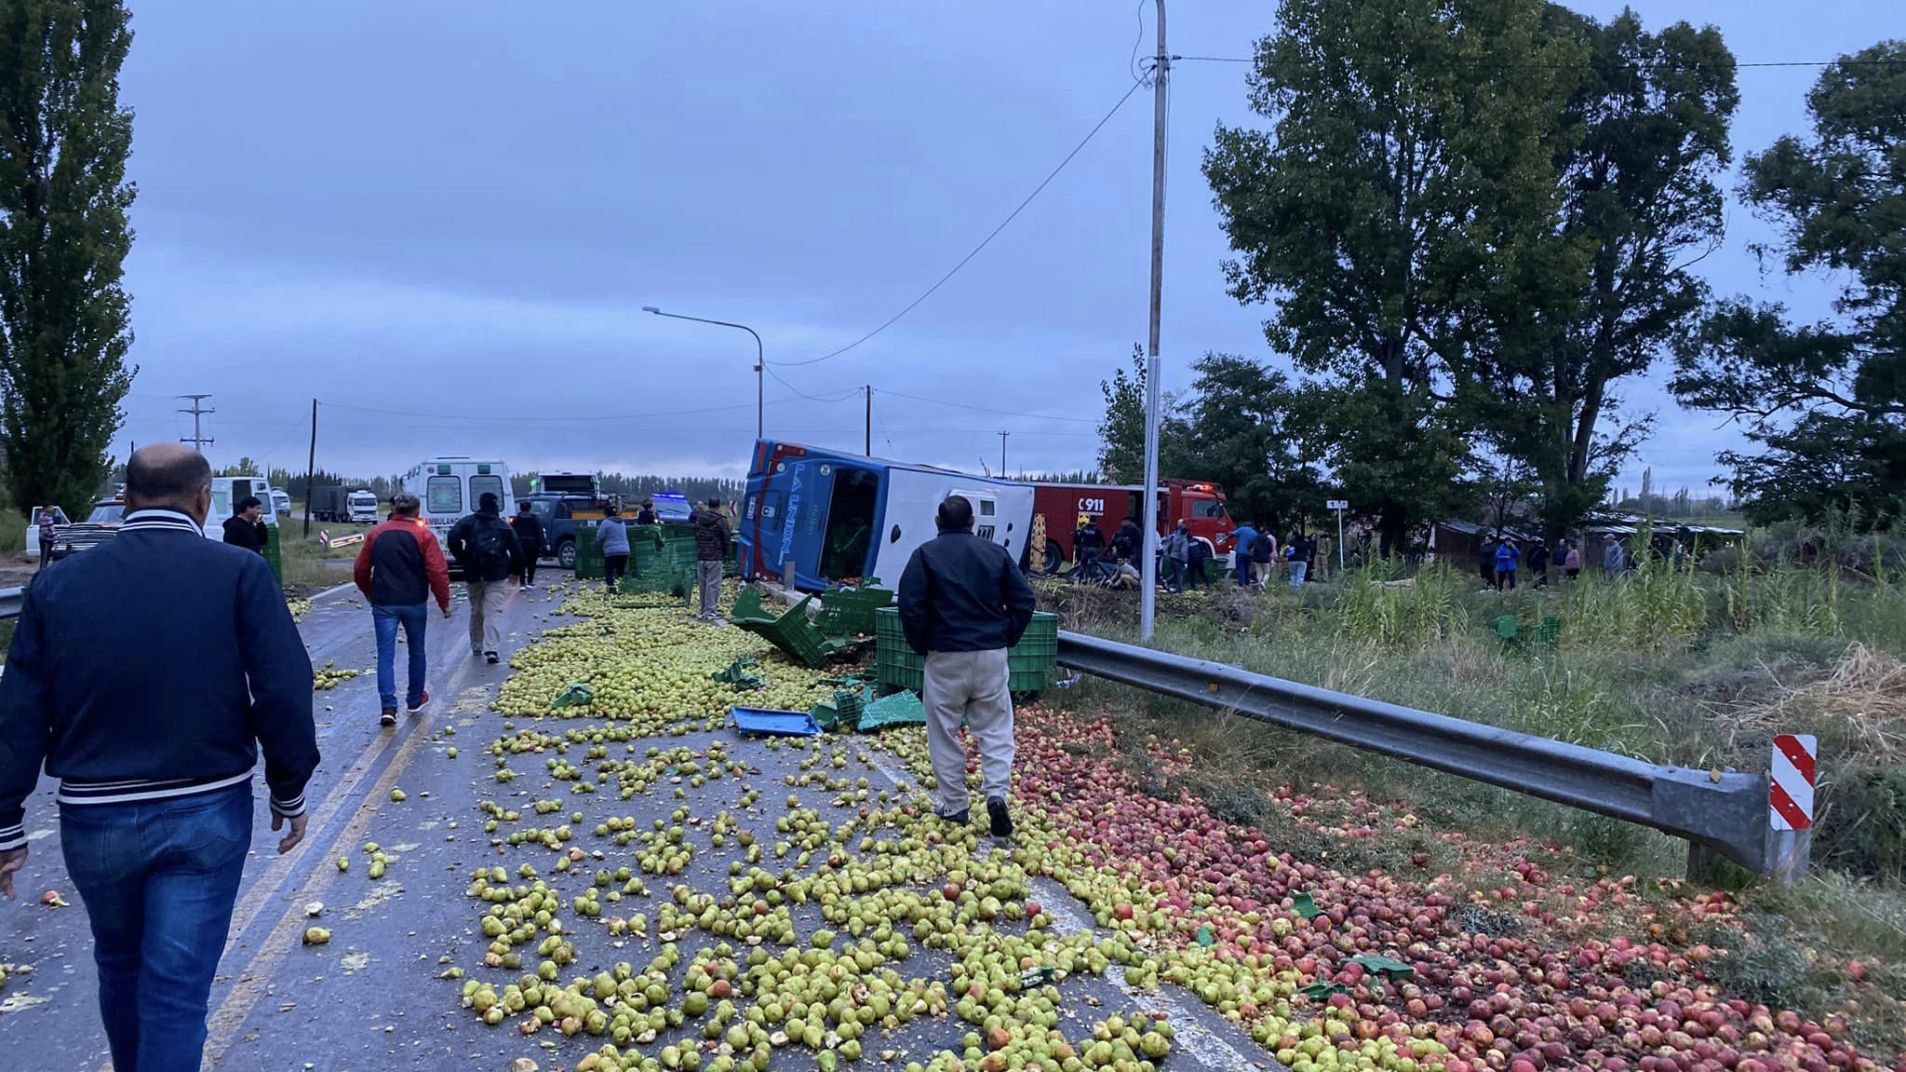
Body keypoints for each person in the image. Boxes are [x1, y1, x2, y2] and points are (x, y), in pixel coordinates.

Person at [0, 444, 318, 1072]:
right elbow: (282, 685)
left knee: (119, 964)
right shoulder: (238, 572)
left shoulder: (58, 583)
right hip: (206, 808)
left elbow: (19, 707)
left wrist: (6, 823)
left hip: (95, 818)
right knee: (175, 990)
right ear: (203, 501)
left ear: (125, 497)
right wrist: (290, 788)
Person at [897, 495, 1037, 837]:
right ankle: (996, 794)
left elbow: (911, 606)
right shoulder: (995, 553)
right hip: (990, 653)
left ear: (937, 521)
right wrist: (1006, 635)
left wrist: (922, 645)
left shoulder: (924, 556)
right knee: (995, 727)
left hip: (945, 654)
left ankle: (955, 805)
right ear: (973, 521)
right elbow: (1024, 599)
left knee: (943, 731)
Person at [354, 491, 452, 726]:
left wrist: (369, 591)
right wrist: (444, 602)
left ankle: (388, 707)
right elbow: (437, 572)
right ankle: (414, 698)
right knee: (417, 650)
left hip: (384, 602)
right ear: (417, 511)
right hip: (415, 601)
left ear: (395, 510)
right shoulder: (423, 535)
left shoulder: (376, 534)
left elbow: (360, 568)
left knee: (385, 655)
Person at [447, 491, 523, 665]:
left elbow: (452, 537)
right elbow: (517, 549)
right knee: (493, 611)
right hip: (497, 574)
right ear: (495, 505)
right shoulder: (503, 526)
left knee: (476, 610)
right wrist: (515, 571)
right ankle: (492, 649)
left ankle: (476, 645)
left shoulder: (467, 523)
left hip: (473, 573)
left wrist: (462, 557)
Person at [694, 498, 732, 622]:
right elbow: (726, 539)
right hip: (715, 555)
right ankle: (710, 611)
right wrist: (726, 553)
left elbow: (696, 534)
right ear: (719, 506)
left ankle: (703, 609)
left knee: (703, 583)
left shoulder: (700, 518)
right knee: (713, 584)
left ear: (708, 505)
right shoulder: (721, 520)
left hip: (701, 555)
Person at [511, 500, 545, 590]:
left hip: (521, 544)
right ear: (529, 508)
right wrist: (542, 545)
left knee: (521, 564)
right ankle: (530, 581)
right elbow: (539, 532)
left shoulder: (516, 519)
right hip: (533, 544)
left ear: (521, 508)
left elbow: (512, 532)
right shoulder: (534, 518)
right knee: (532, 563)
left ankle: (522, 584)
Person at [596, 505, 631, 595]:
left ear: (606, 514)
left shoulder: (606, 522)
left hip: (611, 551)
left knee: (609, 570)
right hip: (625, 550)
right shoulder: (622, 522)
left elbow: (600, 536)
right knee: (621, 571)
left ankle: (611, 590)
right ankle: (622, 589)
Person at [1163, 521, 1190, 592]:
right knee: (1179, 575)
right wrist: (1185, 561)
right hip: (1179, 559)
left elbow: (1169, 544)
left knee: (1175, 574)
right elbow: (1183, 551)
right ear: (1186, 533)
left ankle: (1165, 582)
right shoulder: (1184, 540)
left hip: (1172, 557)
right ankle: (1179, 590)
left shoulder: (1175, 538)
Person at [1231, 520, 1259, 588]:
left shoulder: (1242, 529)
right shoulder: (1255, 533)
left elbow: (1232, 534)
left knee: (1240, 568)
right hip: (1249, 554)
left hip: (1240, 552)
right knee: (1247, 568)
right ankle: (1247, 582)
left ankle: (1242, 584)